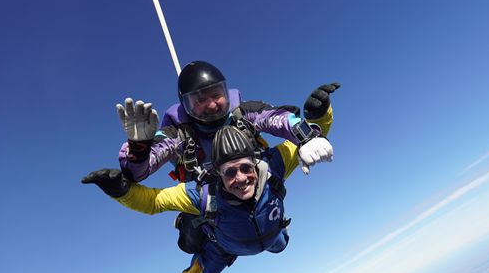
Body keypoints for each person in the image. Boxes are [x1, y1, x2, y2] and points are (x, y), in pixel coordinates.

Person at [82, 121, 333, 273]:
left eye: (246, 168)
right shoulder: (203, 194)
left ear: (256, 162)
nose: (241, 178)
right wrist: (120, 189)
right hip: (224, 247)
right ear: (218, 174)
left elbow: (310, 138)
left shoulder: (274, 166)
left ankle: (271, 232)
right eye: (230, 172)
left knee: (281, 246)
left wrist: (320, 113)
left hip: (272, 233)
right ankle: (190, 224)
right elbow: (154, 201)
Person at [117, 60, 339, 183]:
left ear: (226, 91)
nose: (212, 104)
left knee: (277, 238)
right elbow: (138, 171)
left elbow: (278, 118)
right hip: (212, 196)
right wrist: (139, 147)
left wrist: (307, 137)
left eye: (216, 94)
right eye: (200, 100)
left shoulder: (243, 113)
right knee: (194, 232)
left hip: (254, 179)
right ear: (186, 105)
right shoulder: (178, 133)